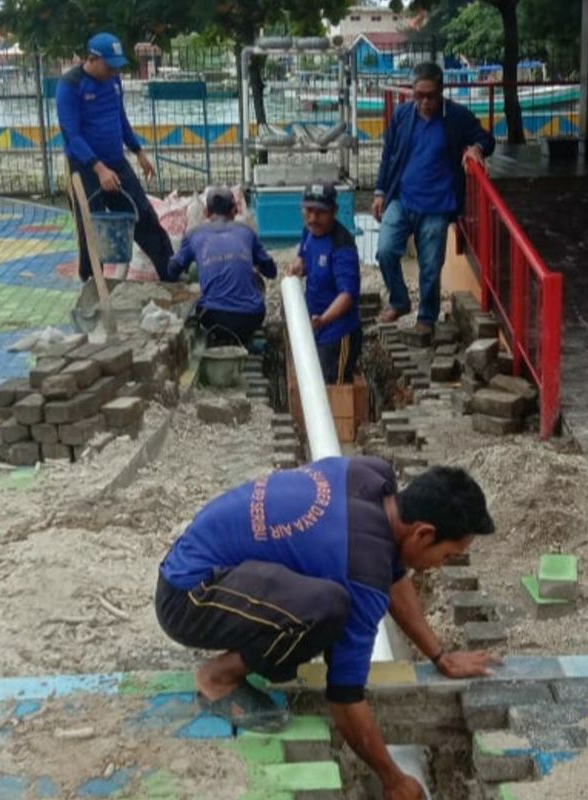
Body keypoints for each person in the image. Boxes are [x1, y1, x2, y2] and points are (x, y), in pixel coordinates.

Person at [155, 457, 498, 800]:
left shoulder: (371, 478)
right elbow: (346, 698)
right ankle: (219, 678)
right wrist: (393, 779)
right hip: (189, 597)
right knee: (326, 610)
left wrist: (439, 656)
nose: (441, 566)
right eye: (449, 555)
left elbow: (393, 573)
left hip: (202, 562)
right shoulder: (361, 570)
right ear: (423, 533)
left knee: (322, 604)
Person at [374, 62, 496, 336]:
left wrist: (475, 148)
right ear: (412, 92)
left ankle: (426, 318)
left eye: (430, 96)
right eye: (419, 95)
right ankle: (399, 301)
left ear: (441, 91)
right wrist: (380, 192)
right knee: (384, 251)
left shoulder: (456, 116)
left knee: (430, 266)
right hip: (402, 199)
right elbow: (388, 155)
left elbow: (487, 139)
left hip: (437, 206)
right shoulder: (403, 116)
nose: (425, 102)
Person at [56, 32, 174, 282]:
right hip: (84, 168)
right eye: (109, 66)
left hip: (116, 163)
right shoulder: (70, 85)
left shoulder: (114, 81)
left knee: (143, 216)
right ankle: (92, 285)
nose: (114, 72)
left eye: (116, 67)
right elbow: (71, 134)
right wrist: (99, 170)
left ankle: (172, 274)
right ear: (92, 59)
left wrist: (138, 151)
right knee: (91, 228)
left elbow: (120, 118)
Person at [165, 187, 277, 349]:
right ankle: (245, 339)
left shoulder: (194, 234)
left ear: (205, 212)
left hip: (212, 318)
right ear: (234, 211)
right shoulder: (246, 232)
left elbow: (172, 270)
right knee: (255, 280)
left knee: (196, 283)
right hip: (251, 318)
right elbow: (271, 272)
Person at [285, 182, 361, 385]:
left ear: (334, 211)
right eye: (308, 211)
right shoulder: (309, 232)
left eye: (320, 213)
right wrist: (296, 268)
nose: (313, 218)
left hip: (337, 333)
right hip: (315, 327)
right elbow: (303, 258)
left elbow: (347, 296)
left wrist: (324, 320)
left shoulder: (342, 247)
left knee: (333, 388)